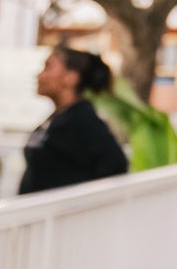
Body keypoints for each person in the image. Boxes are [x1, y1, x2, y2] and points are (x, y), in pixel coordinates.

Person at [20, 46, 129, 193]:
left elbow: (115, 165)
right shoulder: (58, 118)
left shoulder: (83, 121)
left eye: (48, 67)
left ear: (71, 77)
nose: (39, 75)